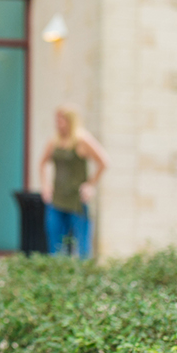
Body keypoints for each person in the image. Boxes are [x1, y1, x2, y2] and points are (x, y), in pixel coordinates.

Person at [37, 105, 109, 258]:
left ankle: (83, 278)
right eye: (57, 119)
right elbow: (42, 163)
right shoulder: (54, 141)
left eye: (62, 119)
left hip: (77, 200)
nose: (58, 123)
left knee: (82, 246)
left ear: (70, 121)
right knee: (55, 246)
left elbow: (104, 161)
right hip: (57, 199)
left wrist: (90, 185)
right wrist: (45, 186)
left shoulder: (82, 140)